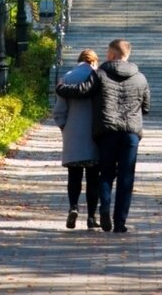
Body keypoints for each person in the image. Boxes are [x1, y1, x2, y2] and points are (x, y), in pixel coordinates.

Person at [56, 39, 150, 234]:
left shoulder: (100, 74)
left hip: (107, 131)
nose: (106, 56)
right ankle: (120, 223)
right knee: (126, 177)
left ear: (114, 55)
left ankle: (104, 209)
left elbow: (82, 90)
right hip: (131, 133)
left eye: (108, 53)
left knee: (106, 173)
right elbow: (146, 107)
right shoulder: (141, 78)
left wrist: (61, 88)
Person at [52, 49, 101, 229]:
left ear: (79, 60)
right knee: (93, 177)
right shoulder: (98, 78)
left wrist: (65, 127)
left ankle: (73, 207)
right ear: (94, 62)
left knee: (74, 175)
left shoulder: (66, 78)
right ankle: (91, 216)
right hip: (94, 134)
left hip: (72, 133)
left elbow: (59, 111)